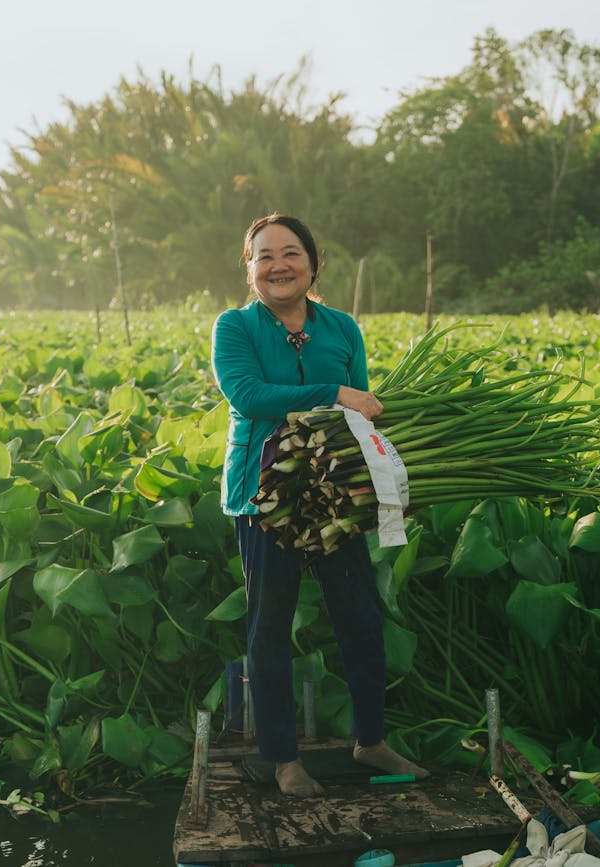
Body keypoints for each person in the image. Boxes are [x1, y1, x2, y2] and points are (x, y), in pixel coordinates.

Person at [211, 213, 428, 796]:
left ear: (312, 262)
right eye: (264, 257)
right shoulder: (235, 327)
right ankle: (284, 758)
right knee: (271, 625)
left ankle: (371, 740)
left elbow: (364, 413)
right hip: (265, 495)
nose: (278, 266)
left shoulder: (341, 328)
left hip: (336, 492)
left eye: (290, 253)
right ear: (250, 268)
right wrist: (331, 391)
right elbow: (249, 395)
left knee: (359, 616)